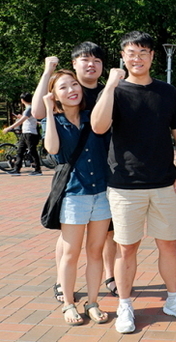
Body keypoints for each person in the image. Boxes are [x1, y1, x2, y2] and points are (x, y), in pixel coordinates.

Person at [91, 31, 176, 334]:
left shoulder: (167, 92)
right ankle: (125, 305)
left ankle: (174, 299)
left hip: (163, 182)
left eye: (143, 53)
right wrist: (110, 84)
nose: (136, 58)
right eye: (130, 53)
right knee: (127, 249)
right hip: (124, 185)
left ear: (152, 56)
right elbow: (98, 126)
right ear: (122, 56)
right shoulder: (114, 91)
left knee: (169, 245)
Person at [31, 43, 118, 302]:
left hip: (103, 176)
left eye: (96, 60)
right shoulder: (65, 88)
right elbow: (38, 114)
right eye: (84, 59)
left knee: (107, 235)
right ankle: (62, 282)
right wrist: (48, 73)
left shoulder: (106, 92)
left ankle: (110, 276)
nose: (91, 64)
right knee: (69, 238)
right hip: (74, 180)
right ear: (75, 64)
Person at [42, 70, 111, 326]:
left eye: (74, 84)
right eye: (63, 87)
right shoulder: (54, 121)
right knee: (70, 253)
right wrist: (49, 111)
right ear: (55, 95)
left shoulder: (93, 118)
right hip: (74, 194)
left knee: (96, 251)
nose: (72, 89)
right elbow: (52, 149)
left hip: (101, 193)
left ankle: (92, 302)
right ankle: (69, 304)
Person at [3, 93, 42, 176]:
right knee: (20, 151)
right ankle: (16, 169)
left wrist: (9, 128)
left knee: (32, 151)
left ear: (22, 100)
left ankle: (38, 170)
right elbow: (29, 120)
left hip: (30, 133)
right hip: (25, 133)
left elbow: (22, 121)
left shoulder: (29, 108)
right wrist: (21, 117)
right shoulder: (29, 108)